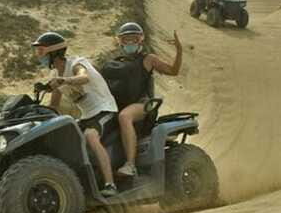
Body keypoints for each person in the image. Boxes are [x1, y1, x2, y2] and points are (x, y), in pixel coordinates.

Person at [32, 31, 120, 197]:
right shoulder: (56, 74)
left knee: (90, 136)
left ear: (54, 52)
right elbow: (54, 106)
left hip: (104, 110)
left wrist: (65, 81)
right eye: (37, 52)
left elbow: (84, 77)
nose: (39, 56)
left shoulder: (76, 63)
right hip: (86, 115)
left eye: (41, 52)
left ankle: (110, 184)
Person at [111, 22, 183, 179]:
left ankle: (130, 165)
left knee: (124, 116)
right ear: (120, 42)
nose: (129, 43)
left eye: (133, 39)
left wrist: (179, 50)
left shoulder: (148, 59)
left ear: (140, 40)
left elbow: (173, 70)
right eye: (126, 40)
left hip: (143, 104)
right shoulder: (117, 62)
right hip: (120, 105)